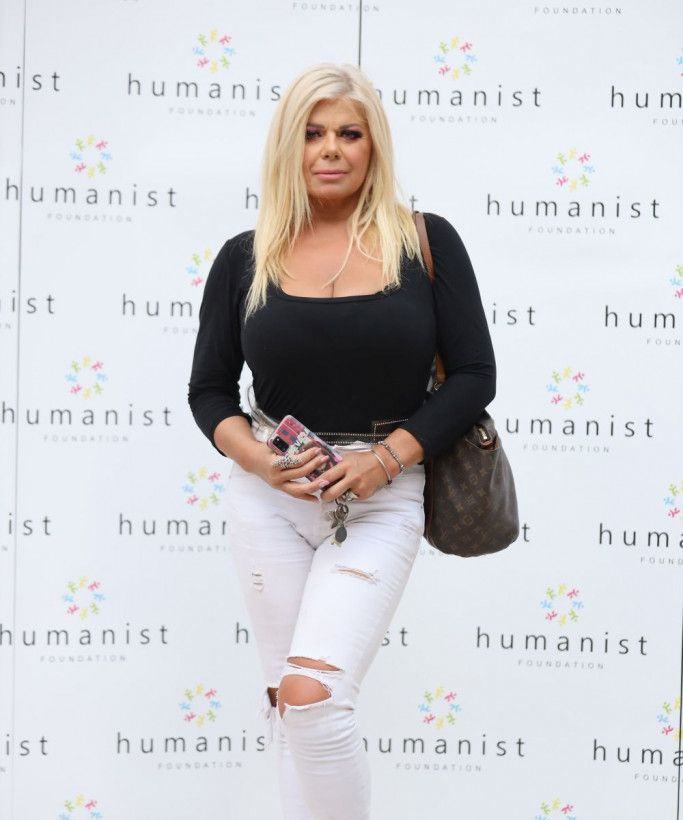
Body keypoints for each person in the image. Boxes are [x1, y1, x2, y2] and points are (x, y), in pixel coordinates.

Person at [187, 62, 496, 820]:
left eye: (349, 134)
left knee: (313, 695)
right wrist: (259, 462)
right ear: (288, 147)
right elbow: (209, 392)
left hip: (383, 498)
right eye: (312, 133)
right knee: (286, 706)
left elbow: (473, 376)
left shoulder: (425, 243)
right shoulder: (244, 256)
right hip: (270, 501)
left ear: (373, 146)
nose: (330, 149)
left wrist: (384, 459)